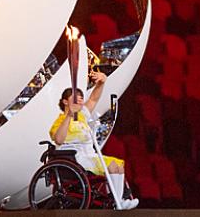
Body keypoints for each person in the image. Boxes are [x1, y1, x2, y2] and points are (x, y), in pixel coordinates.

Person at [50, 71, 139, 210]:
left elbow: (93, 99)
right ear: (65, 101)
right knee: (112, 167)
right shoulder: (60, 121)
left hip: (90, 155)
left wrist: (102, 82)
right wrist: (69, 115)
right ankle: (118, 202)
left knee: (118, 166)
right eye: (75, 98)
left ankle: (119, 200)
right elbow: (59, 140)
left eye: (80, 98)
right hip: (76, 158)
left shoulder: (83, 115)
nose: (79, 101)